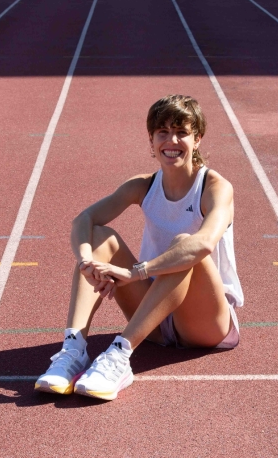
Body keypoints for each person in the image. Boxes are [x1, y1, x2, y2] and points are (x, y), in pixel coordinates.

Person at [34, 95, 244, 400]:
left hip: (205, 322)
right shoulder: (143, 185)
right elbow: (84, 219)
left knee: (185, 245)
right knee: (99, 236)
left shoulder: (215, 187)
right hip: (155, 316)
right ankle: (73, 349)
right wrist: (86, 264)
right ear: (151, 139)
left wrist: (137, 272)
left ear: (197, 139)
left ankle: (119, 355)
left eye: (182, 132)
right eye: (162, 132)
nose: (171, 141)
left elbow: (203, 244)